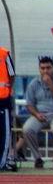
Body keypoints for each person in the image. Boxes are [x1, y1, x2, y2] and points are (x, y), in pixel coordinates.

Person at [22, 56, 53, 169]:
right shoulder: (34, 83)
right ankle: (37, 158)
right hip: (40, 114)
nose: (45, 71)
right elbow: (29, 104)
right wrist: (36, 114)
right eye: (42, 68)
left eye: (48, 68)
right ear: (39, 69)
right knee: (27, 129)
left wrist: (51, 85)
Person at [0, 45, 15, 173]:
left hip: (3, 99)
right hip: (3, 98)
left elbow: (11, 74)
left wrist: (9, 90)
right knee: (4, 133)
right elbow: (12, 75)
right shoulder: (4, 53)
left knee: (4, 133)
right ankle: (2, 162)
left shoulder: (4, 53)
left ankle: (2, 162)